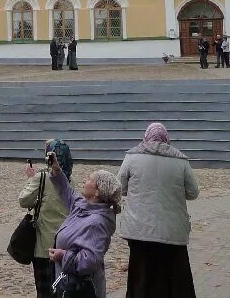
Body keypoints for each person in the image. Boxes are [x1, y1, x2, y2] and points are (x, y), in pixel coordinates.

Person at [117, 123, 199, 298]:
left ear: (146, 137)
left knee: (141, 276)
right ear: (166, 138)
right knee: (173, 277)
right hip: (172, 232)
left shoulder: (132, 157)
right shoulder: (181, 161)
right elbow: (193, 193)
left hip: (140, 230)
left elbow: (120, 188)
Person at [47, 151, 121, 298]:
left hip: (82, 289)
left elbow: (89, 261)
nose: (84, 181)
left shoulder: (97, 222)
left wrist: (63, 255)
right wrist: (56, 169)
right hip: (69, 284)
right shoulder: (82, 206)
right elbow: (66, 191)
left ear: (98, 192)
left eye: (89, 179)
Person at [20, 139, 72, 298]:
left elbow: (24, 200)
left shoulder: (41, 177)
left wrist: (30, 178)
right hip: (65, 247)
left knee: (44, 292)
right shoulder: (70, 180)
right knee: (61, 289)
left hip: (44, 248)